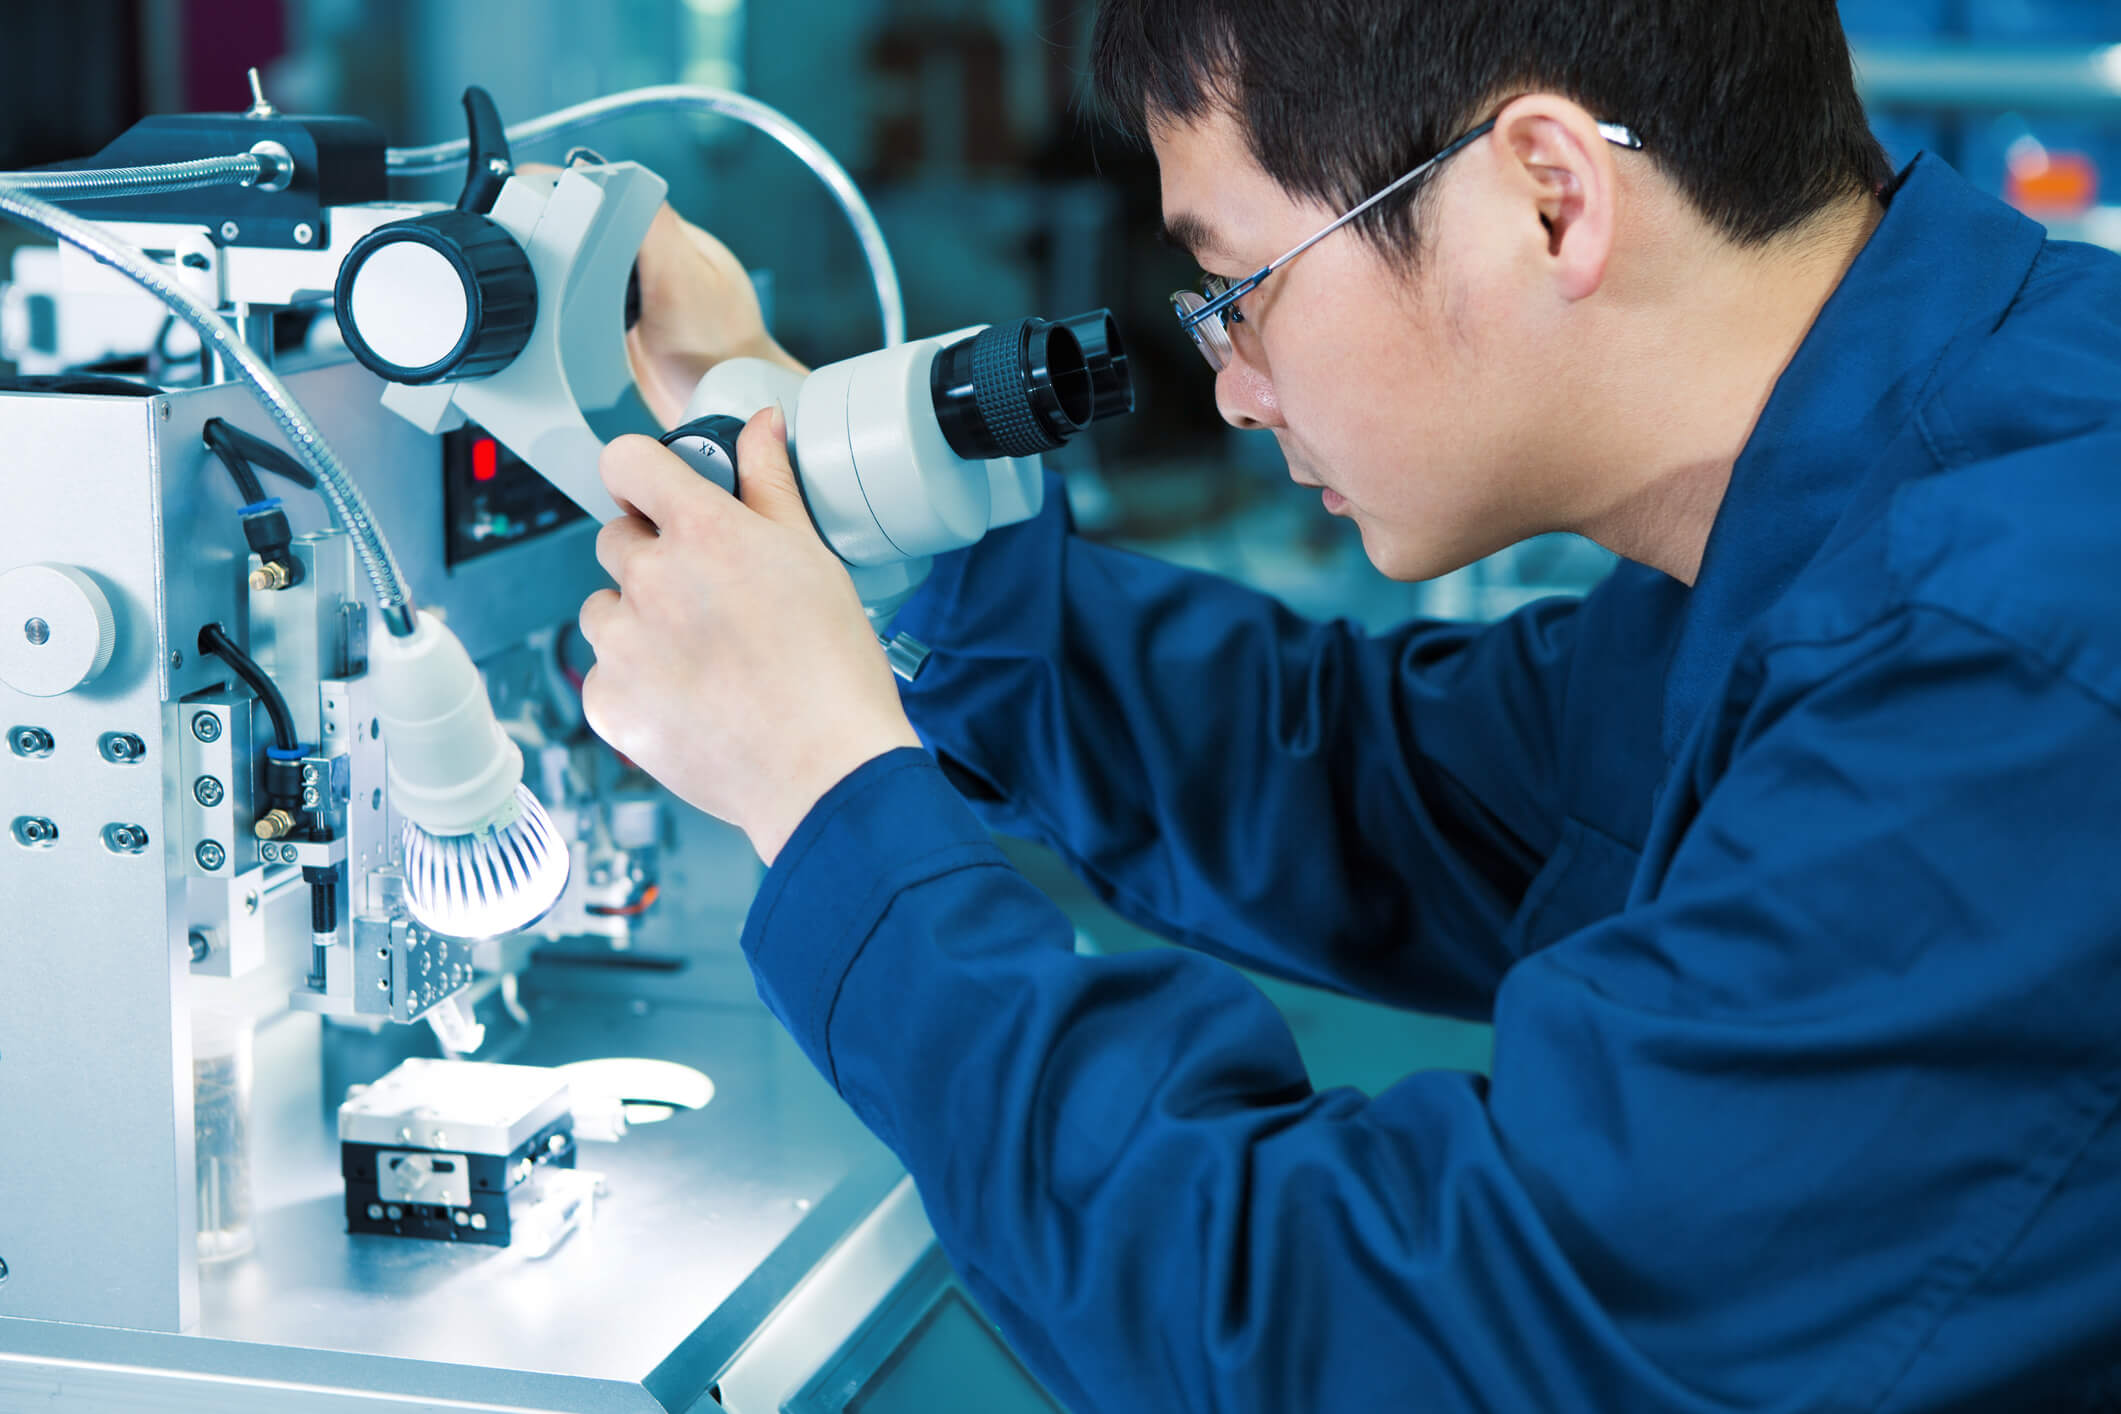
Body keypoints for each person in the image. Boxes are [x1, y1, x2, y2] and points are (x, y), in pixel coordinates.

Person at [573, 0, 2121, 1407]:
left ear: (1547, 197)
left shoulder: (2004, 657)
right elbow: (1375, 777)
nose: (1234, 384)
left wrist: (825, 795)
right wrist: (826, 486)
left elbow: (1386, 1332)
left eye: (1237, 286)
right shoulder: (1888, 480)